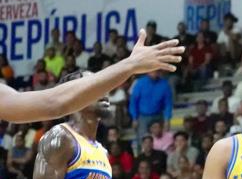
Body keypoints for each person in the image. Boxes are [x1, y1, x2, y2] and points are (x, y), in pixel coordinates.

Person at [31, 73, 145, 179]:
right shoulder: (61, 137)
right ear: (73, 94)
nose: (104, 89)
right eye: (94, 84)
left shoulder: (101, 151)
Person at [0, 29, 181, 124]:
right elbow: (53, 103)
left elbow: (53, 103)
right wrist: (130, 65)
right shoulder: (62, 141)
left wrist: (131, 65)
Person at [129, 70, 174, 144]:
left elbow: (168, 103)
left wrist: (167, 119)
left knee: (161, 139)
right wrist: (134, 118)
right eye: (152, 71)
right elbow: (134, 102)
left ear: (159, 72)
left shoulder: (164, 84)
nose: (154, 73)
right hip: (143, 116)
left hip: (158, 115)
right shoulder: (140, 83)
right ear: (148, 71)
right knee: (142, 140)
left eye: (156, 71)